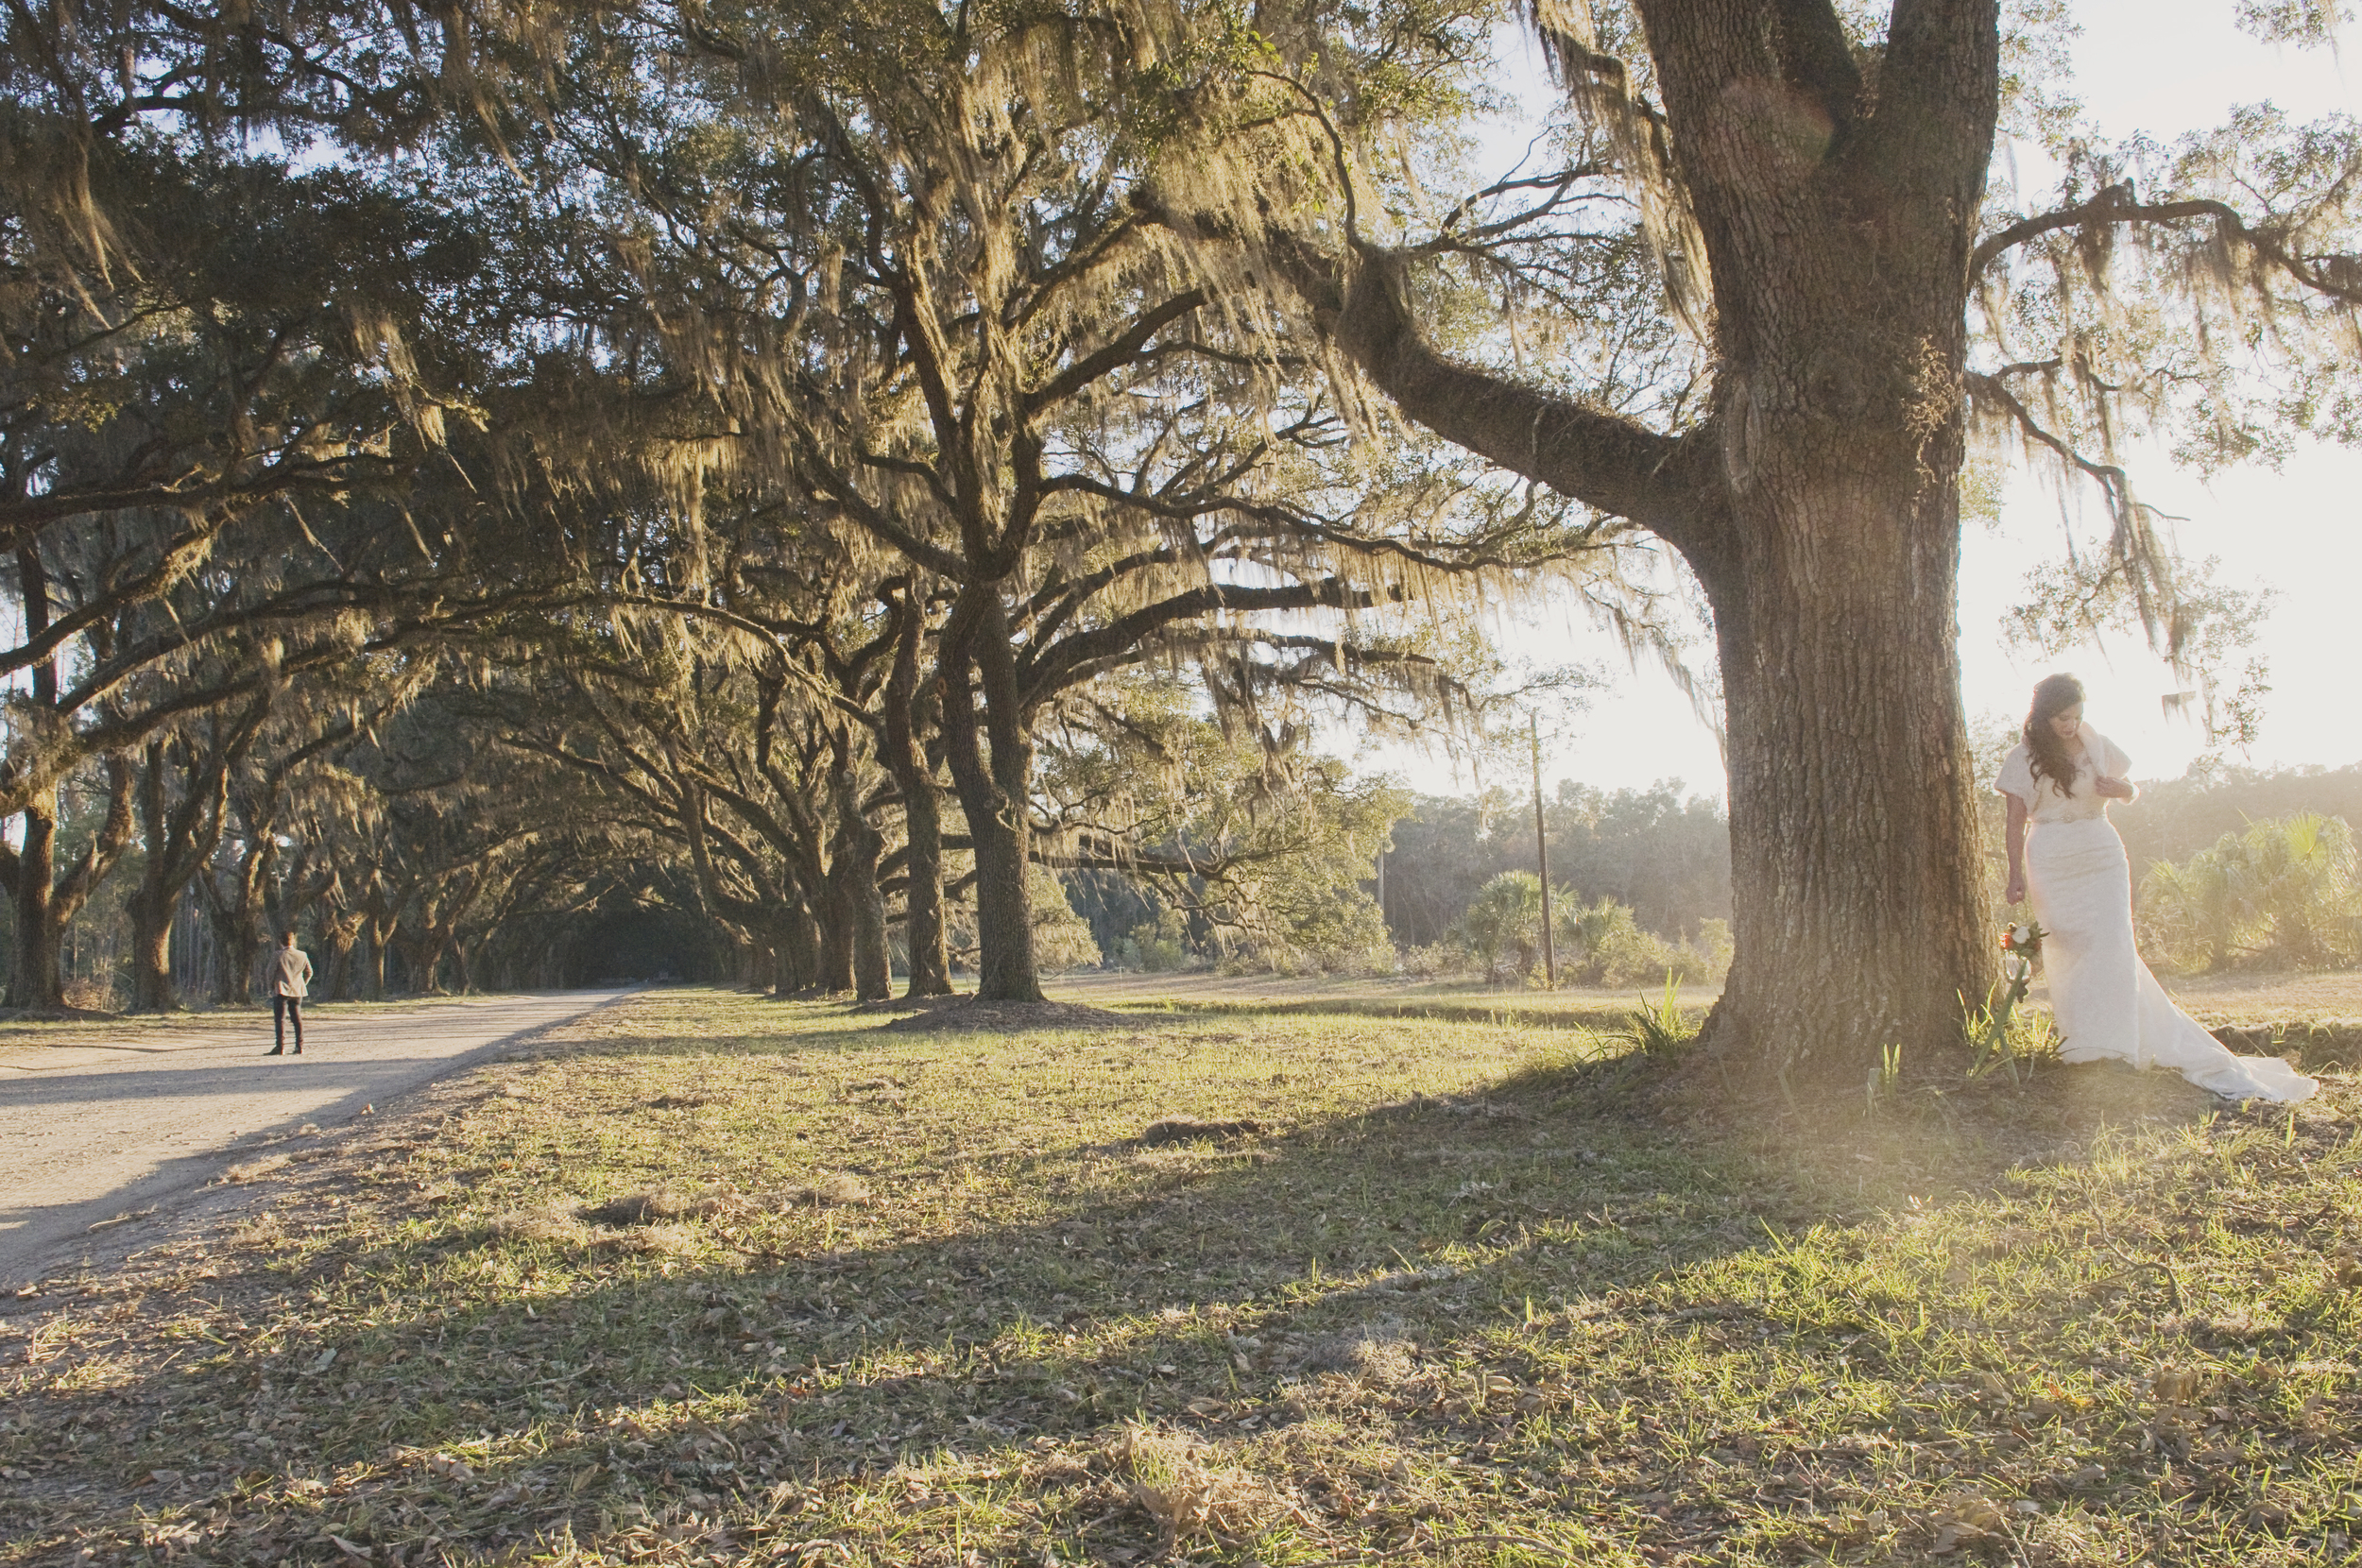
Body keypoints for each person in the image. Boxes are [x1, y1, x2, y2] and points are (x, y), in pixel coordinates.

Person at [1996, 673, 2316, 1102]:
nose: (2070, 725)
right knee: (2067, 948)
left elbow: (2130, 789)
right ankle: (2084, 1047)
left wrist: (2123, 790)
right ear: (2043, 715)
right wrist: (2014, 873)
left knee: (2111, 944)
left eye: (2076, 716)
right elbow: (2015, 819)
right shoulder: (2024, 756)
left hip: (2100, 850)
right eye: (2061, 717)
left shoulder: (2097, 745)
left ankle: (2119, 1047)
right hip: (2051, 855)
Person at [265, 930, 314, 1057]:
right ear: (293, 940)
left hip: (281, 989)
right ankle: (299, 1046)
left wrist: (271, 986)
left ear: (280, 942)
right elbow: (309, 972)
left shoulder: (278, 955)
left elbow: (270, 972)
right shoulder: (302, 955)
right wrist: (302, 983)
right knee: (297, 1019)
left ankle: (280, 1046)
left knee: (280, 1019)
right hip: (297, 991)